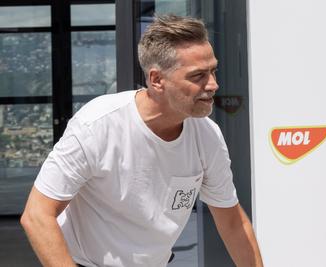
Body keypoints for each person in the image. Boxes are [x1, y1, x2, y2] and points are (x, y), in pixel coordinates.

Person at [20, 15, 264, 267]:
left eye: (213, 71)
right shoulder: (96, 125)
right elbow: (37, 215)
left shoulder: (207, 136)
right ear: (157, 80)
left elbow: (234, 224)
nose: (213, 84)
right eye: (198, 76)